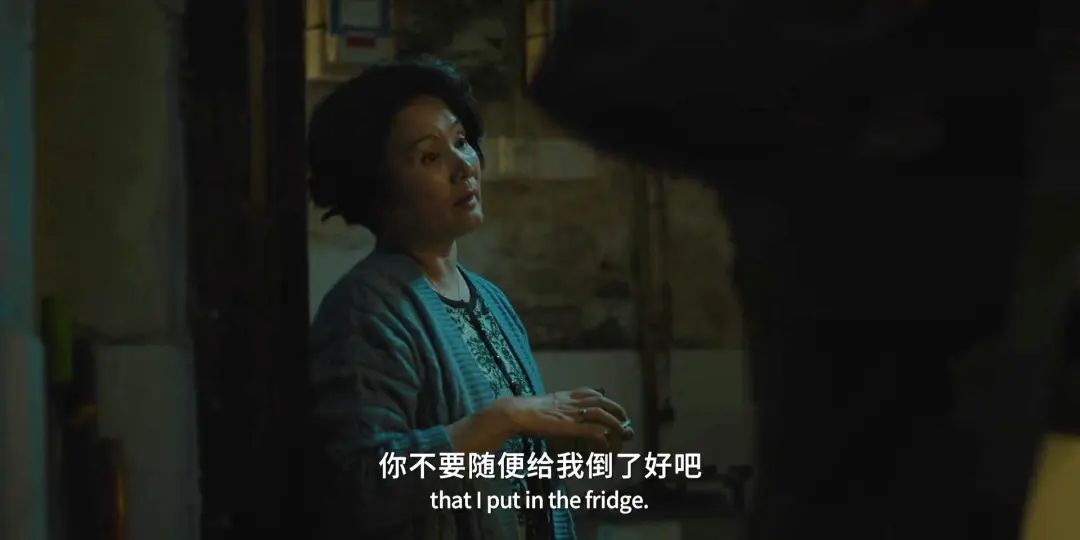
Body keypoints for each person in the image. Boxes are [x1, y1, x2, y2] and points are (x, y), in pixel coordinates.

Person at [303, 57, 634, 540]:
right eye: (429, 157)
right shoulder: (365, 310)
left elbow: (491, 472)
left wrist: (557, 443)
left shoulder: (490, 299)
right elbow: (361, 484)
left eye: (461, 142)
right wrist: (505, 417)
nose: (464, 166)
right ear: (375, 185)